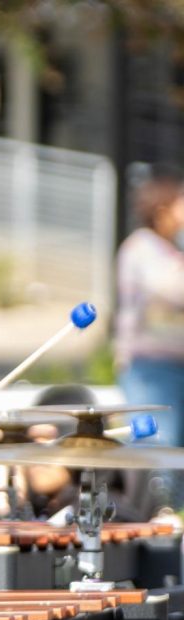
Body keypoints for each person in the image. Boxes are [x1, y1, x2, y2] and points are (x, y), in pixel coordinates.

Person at [115, 166, 184, 507]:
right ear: (161, 209)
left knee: (175, 451)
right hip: (149, 368)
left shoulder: (172, 251)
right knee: (156, 445)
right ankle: (153, 516)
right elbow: (171, 290)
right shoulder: (141, 248)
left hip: (176, 366)